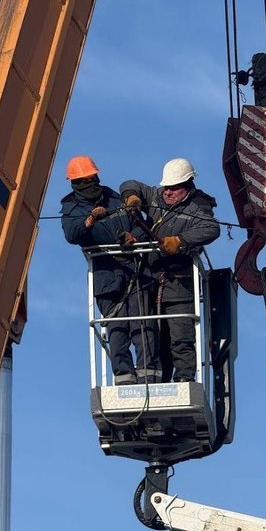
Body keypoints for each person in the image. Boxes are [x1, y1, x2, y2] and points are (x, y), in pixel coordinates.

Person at [61, 155, 160, 385]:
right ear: (76, 182)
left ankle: (150, 376)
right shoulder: (71, 208)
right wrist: (89, 220)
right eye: (85, 180)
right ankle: (124, 378)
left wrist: (133, 238)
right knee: (117, 328)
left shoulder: (114, 199)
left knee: (143, 323)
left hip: (135, 272)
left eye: (92, 178)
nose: (91, 183)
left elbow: (142, 226)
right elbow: (72, 235)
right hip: (106, 275)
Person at [120, 158, 220, 383]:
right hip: (152, 284)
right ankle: (159, 382)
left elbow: (212, 229)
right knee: (155, 339)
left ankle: (184, 379)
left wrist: (180, 240)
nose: (168, 192)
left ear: (187, 185)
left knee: (181, 336)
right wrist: (132, 196)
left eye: (174, 188)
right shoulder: (156, 196)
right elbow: (130, 183)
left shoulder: (197, 208)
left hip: (179, 286)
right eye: (166, 187)